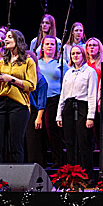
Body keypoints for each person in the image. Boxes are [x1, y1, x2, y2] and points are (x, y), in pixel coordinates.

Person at [0, 29, 38, 164]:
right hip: (2, 103)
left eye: (9, 37)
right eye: (6, 37)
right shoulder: (3, 61)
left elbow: (31, 85)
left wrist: (11, 79)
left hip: (19, 104)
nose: (6, 39)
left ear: (18, 40)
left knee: (15, 144)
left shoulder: (28, 61)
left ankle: (16, 179)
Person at [57, 43, 99, 179]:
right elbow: (63, 94)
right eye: (73, 54)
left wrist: (90, 116)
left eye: (78, 53)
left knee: (83, 142)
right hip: (69, 107)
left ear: (83, 55)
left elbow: (92, 94)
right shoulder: (68, 73)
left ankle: (87, 176)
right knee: (69, 142)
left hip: (83, 106)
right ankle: (71, 176)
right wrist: (59, 115)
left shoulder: (90, 72)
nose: (75, 56)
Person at [34, 35, 65, 166]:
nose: (49, 46)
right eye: (47, 44)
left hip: (54, 99)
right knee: (38, 131)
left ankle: (57, 160)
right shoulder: (37, 63)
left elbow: (66, 82)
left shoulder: (61, 63)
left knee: (52, 130)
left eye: (52, 44)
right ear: (42, 46)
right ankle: (41, 160)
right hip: (38, 99)